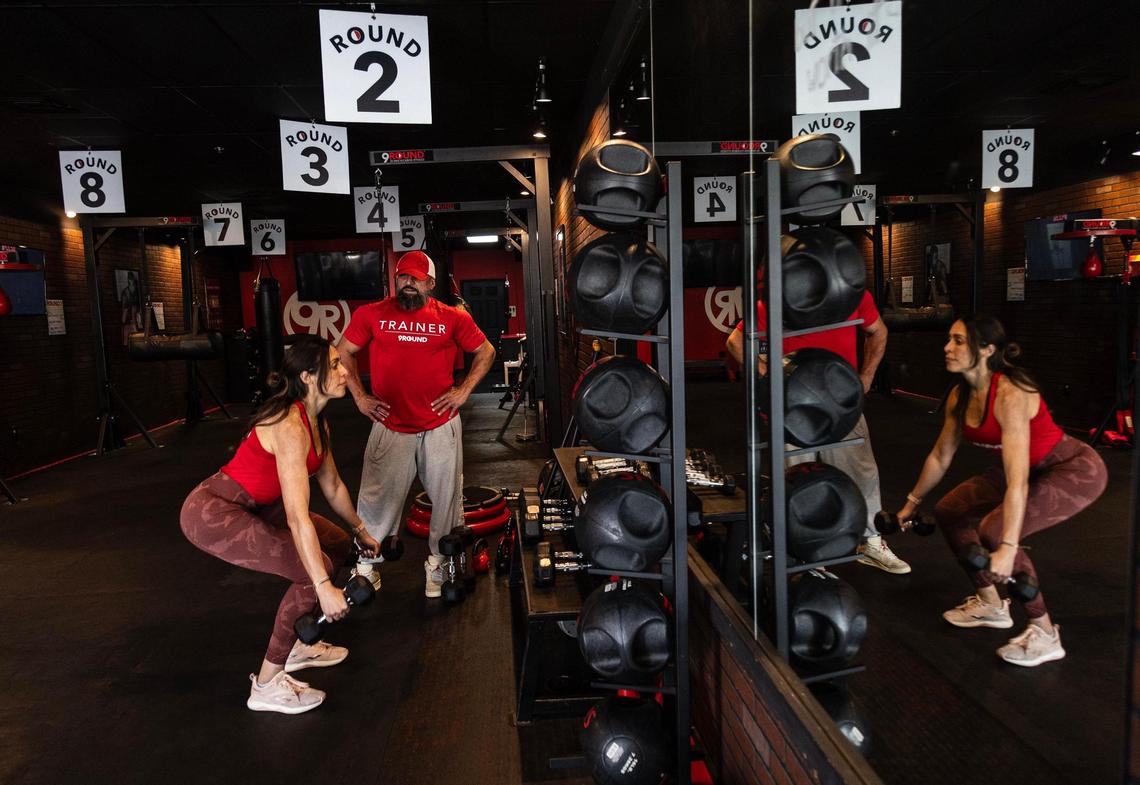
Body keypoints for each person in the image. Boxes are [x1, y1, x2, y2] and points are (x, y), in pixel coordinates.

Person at [180, 336, 382, 714]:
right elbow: (296, 515)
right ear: (308, 376)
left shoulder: (318, 422)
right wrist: (323, 587)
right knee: (314, 570)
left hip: (257, 506)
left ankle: (299, 648)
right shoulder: (290, 424)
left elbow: (333, 485)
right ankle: (268, 683)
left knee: (337, 545)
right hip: (214, 512)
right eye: (335, 365)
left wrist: (359, 530)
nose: (345, 372)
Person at [897, 315, 1107, 666]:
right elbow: (940, 455)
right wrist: (910, 503)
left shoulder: (1011, 394)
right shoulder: (959, 395)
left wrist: (1008, 546)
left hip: (1069, 469)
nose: (947, 348)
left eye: (959, 341)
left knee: (994, 531)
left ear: (987, 350)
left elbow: (1018, 480)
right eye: (949, 339)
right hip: (1023, 471)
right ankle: (992, 605)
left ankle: (1044, 632)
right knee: (949, 511)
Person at [337, 250, 496, 598]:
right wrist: (360, 397)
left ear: (430, 283)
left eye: (415, 278)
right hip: (390, 422)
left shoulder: (452, 318)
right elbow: (343, 351)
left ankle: (438, 566)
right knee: (376, 497)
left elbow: (486, 351)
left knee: (446, 498)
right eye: (402, 277)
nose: (407, 283)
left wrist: (463, 390)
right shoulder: (372, 314)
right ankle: (368, 567)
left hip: (440, 423)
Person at [726, 288, 910, 574]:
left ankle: (871, 540)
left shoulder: (854, 295)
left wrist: (867, 376)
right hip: (794, 407)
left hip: (842, 401)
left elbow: (878, 332)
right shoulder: (779, 297)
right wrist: (769, 376)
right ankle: (807, 553)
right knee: (797, 480)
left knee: (862, 471)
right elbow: (736, 341)